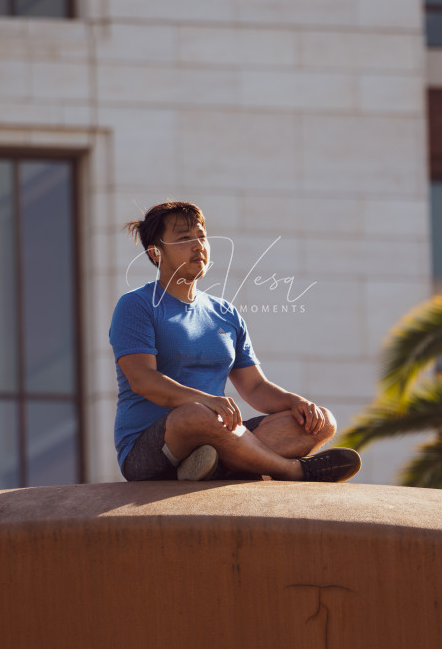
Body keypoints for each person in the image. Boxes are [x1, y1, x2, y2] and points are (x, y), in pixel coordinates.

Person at [109, 201, 362, 483]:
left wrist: (297, 402)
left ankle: (213, 467)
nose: (198, 245)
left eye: (202, 236)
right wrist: (205, 401)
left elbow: (254, 387)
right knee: (196, 415)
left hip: (218, 431)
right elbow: (143, 380)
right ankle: (294, 471)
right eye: (184, 238)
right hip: (153, 447)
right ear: (156, 252)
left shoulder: (225, 313)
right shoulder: (137, 305)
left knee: (320, 423)